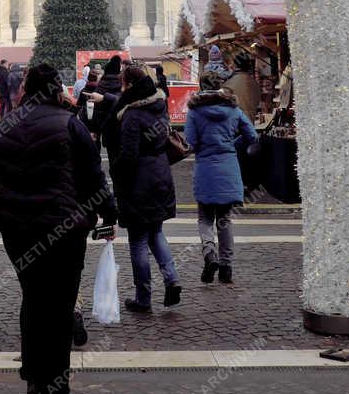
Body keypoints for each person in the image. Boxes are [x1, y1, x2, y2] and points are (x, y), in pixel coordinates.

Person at [0, 62, 117, 394]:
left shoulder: (3, 127)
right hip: (63, 228)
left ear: (26, 89)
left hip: (18, 229)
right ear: (58, 88)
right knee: (59, 307)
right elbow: (93, 176)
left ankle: (33, 377)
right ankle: (55, 391)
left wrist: (6, 202)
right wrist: (109, 213)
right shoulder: (70, 125)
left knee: (33, 296)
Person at [108, 63, 181, 313]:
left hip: (139, 180)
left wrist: (115, 174)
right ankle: (172, 279)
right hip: (161, 174)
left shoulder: (132, 115)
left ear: (128, 85)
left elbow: (128, 155)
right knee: (156, 232)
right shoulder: (159, 107)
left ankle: (143, 297)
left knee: (138, 239)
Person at [184, 74, 258, 284]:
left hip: (205, 168)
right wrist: (232, 143)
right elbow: (252, 136)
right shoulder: (233, 110)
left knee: (205, 217)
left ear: (201, 86)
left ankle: (209, 253)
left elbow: (189, 142)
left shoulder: (195, 112)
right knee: (224, 220)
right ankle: (226, 267)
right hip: (228, 167)